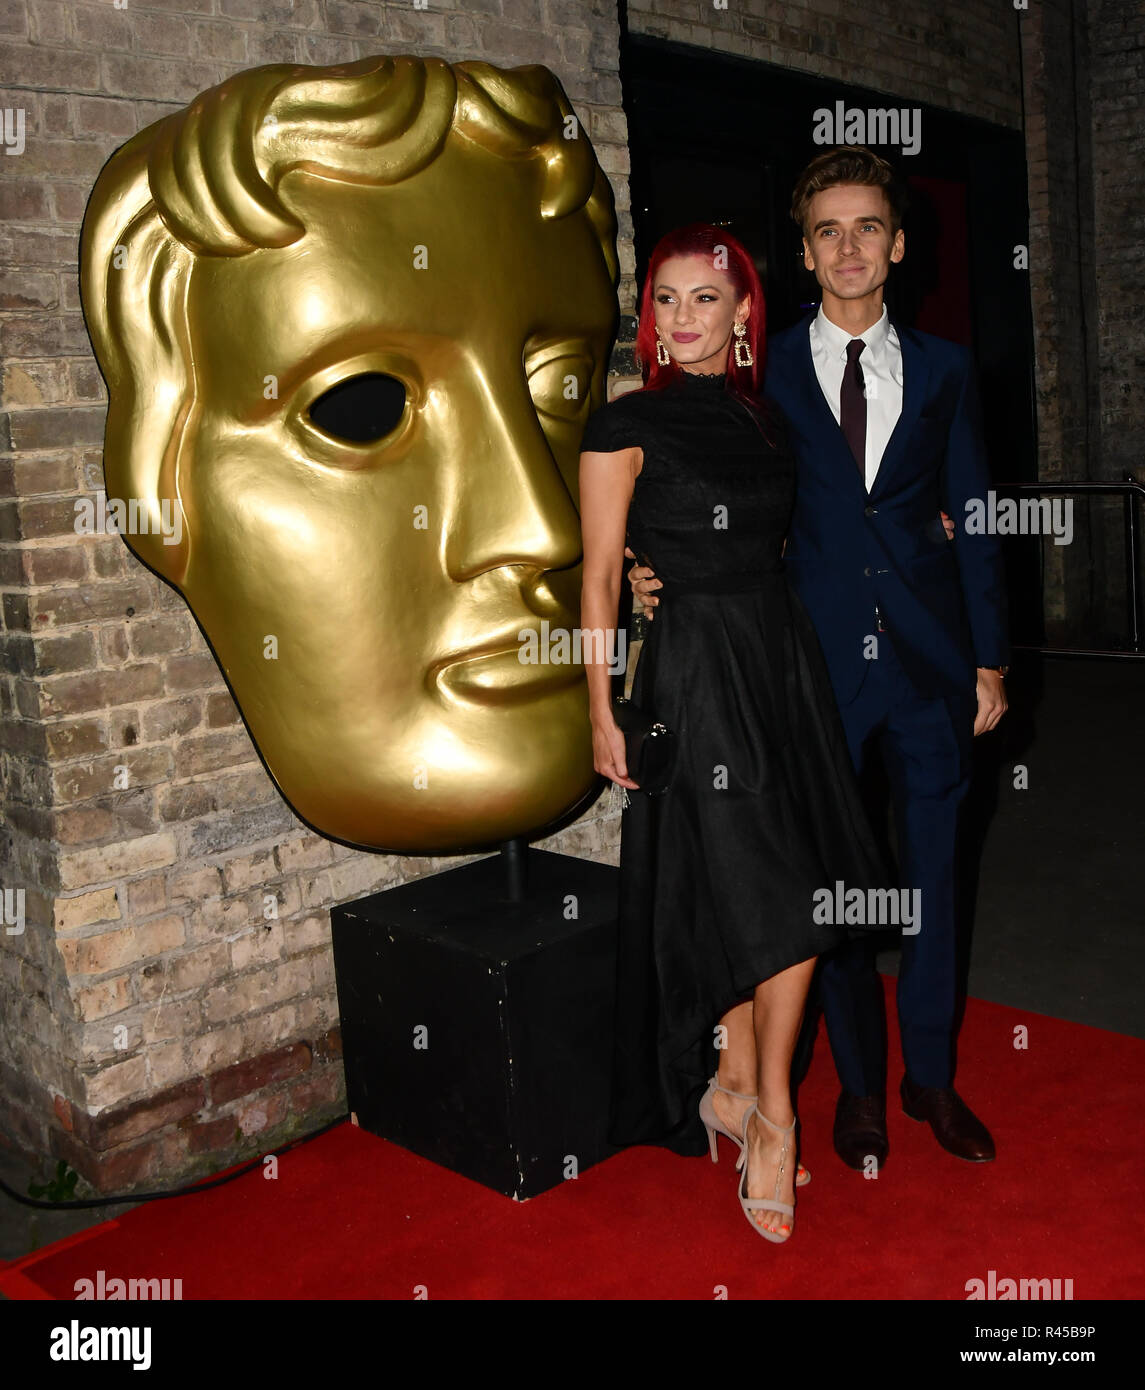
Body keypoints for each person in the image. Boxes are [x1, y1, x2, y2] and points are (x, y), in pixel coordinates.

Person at [627, 148, 1010, 1174]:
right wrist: (640, 573)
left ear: (895, 245)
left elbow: (971, 516)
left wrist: (988, 659)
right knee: (830, 888)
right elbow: (686, 480)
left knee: (932, 879)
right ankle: (857, 1093)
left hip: (932, 663)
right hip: (805, 669)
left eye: (867, 228)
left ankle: (927, 1074)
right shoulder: (764, 377)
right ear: (801, 254)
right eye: (826, 231)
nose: (848, 248)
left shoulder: (944, 369)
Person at [578, 223, 887, 1240]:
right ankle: (771, 1118)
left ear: (743, 309)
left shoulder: (767, 425)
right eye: (662, 300)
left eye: (702, 299)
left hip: (778, 661)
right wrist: (601, 708)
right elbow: (594, 577)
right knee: (780, 892)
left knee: (773, 882)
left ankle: (735, 1082)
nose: (680, 318)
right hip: (694, 672)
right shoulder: (623, 424)